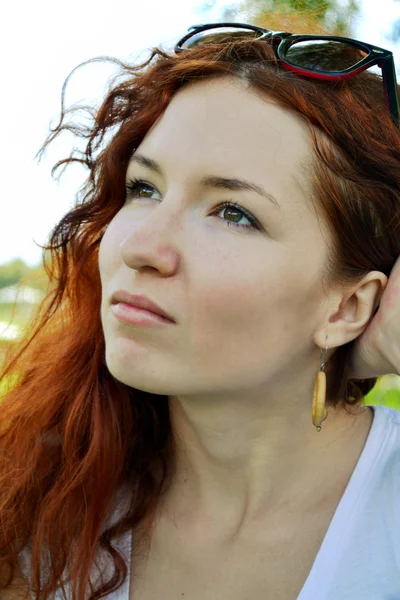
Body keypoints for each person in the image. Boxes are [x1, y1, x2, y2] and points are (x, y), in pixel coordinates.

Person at [1, 20, 400, 600]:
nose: (140, 246)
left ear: (349, 305)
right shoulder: (37, 506)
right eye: (144, 189)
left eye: (234, 213)